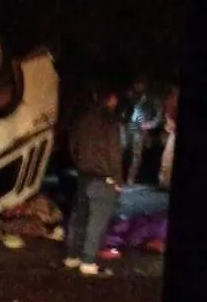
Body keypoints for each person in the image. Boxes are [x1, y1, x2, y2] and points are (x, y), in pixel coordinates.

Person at [63, 84, 124, 277]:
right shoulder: (110, 121)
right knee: (97, 220)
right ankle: (88, 261)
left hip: (83, 175)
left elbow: (73, 144)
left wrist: (80, 163)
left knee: (79, 216)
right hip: (103, 177)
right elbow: (114, 153)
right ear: (112, 99)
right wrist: (117, 179)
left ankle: (72, 256)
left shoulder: (83, 119)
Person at [122, 77, 163, 185]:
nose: (137, 86)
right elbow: (125, 110)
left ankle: (130, 179)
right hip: (129, 126)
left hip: (140, 129)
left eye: (140, 83)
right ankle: (120, 175)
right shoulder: (132, 96)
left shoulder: (152, 99)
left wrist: (149, 125)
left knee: (136, 155)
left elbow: (159, 115)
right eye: (136, 83)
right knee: (123, 150)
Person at [159, 84, 179, 190]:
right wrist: (169, 122)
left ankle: (165, 181)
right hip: (173, 131)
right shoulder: (170, 100)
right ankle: (165, 182)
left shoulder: (172, 100)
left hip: (174, 130)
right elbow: (167, 115)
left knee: (168, 157)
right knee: (168, 158)